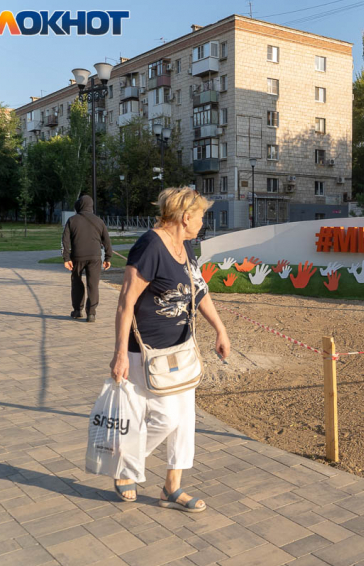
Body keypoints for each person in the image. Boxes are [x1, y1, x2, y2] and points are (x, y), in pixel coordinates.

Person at [109, 187, 230, 512]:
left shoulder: (184, 245)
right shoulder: (150, 246)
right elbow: (126, 302)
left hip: (180, 348)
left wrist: (220, 328)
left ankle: (172, 488)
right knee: (166, 418)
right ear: (185, 216)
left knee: (185, 420)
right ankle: (125, 463)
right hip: (145, 352)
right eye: (201, 216)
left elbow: (199, 289)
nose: (203, 222)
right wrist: (120, 352)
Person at [62, 195, 112, 322]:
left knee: (77, 283)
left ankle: (78, 311)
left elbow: (65, 241)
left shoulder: (72, 220)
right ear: (91, 206)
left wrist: (66, 258)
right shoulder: (99, 221)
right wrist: (107, 257)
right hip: (95, 257)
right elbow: (107, 240)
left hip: (77, 256)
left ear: (79, 205)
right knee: (93, 285)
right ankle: (91, 313)